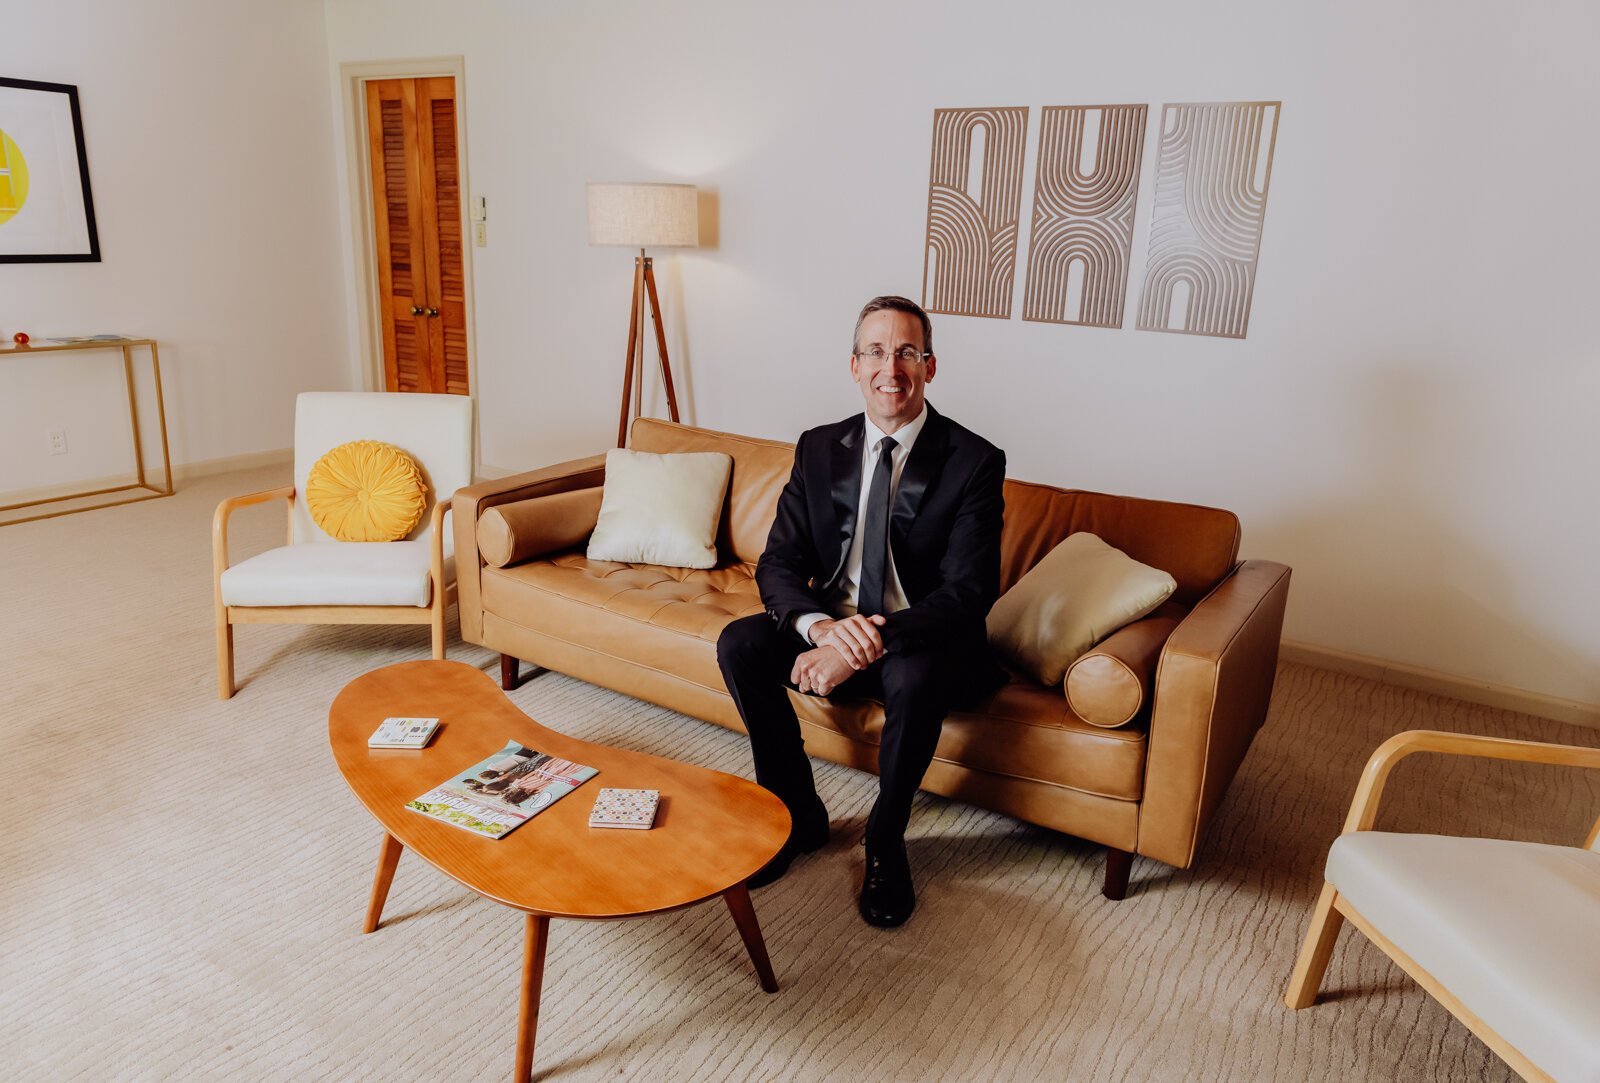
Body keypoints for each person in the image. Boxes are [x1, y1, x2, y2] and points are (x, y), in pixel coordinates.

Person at [716, 295, 1006, 928]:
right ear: (853, 365)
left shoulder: (974, 461)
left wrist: (860, 644)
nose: (891, 368)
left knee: (915, 676)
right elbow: (778, 564)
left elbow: (967, 593)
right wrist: (820, 629)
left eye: (907, 352)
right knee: (739, 643)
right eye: (876, 351)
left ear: (930, 366)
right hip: (835, 624)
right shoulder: (819, 447)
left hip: (920, 638)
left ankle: (885, 839)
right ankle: (795, 813)